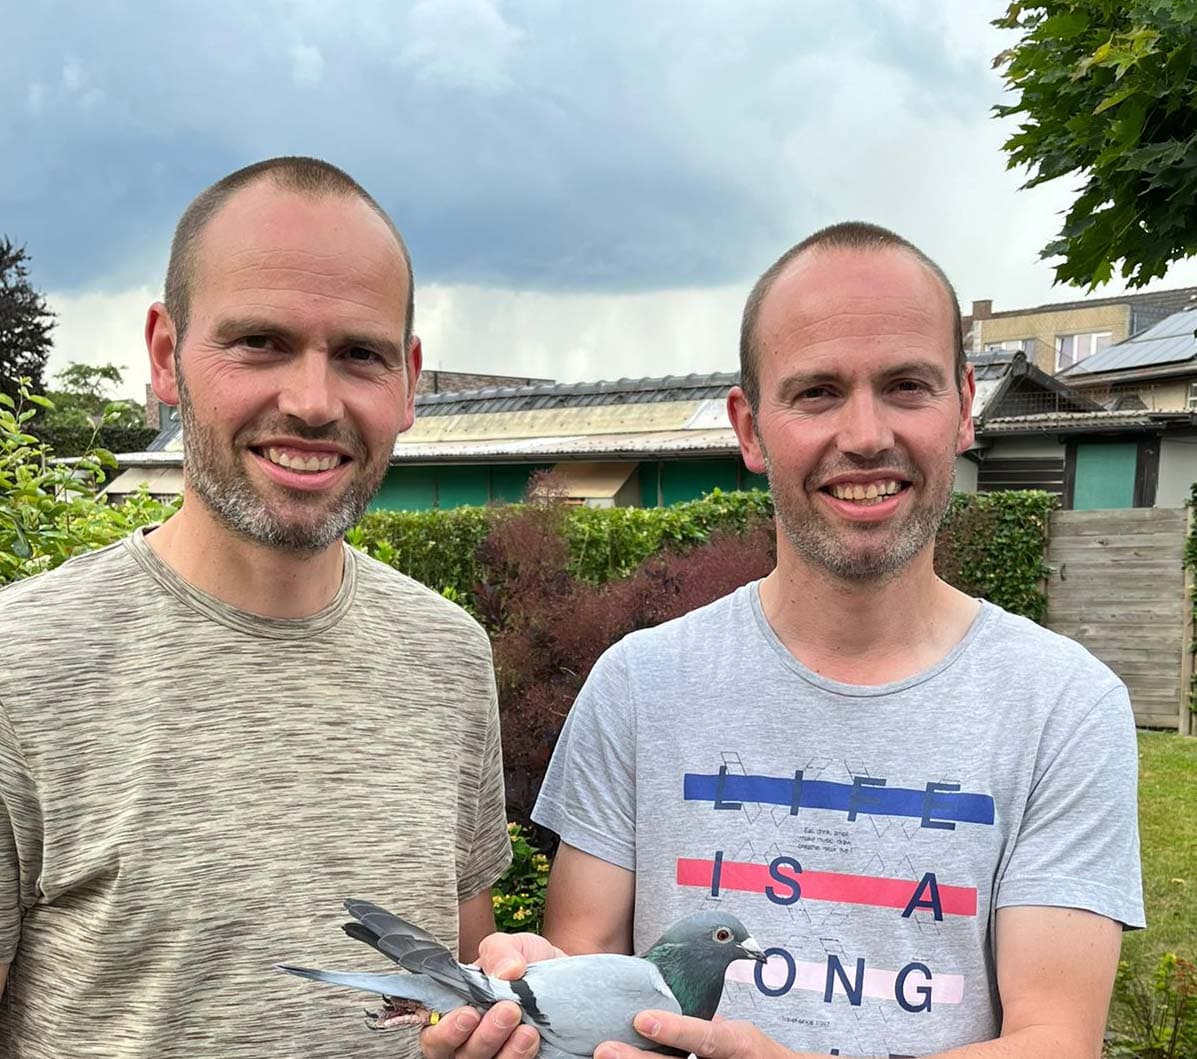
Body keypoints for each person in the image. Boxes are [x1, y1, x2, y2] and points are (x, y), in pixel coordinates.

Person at [423, 222, 1144, 1059]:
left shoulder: (1062, 707)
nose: (864, 434)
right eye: (816, 392)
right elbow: (587, 973)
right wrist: (521, 1008)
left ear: (962, 407)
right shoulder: (638, 687)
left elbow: (1055, 1040)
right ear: (749, 428)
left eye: (906, 386)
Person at [0, 157, 512, 1058]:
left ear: (407, 381)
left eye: (359, 354)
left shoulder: (450, 656)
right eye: (259, 342)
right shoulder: (22, 666)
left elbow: (459, 980)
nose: (311, 402)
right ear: (166, 354)